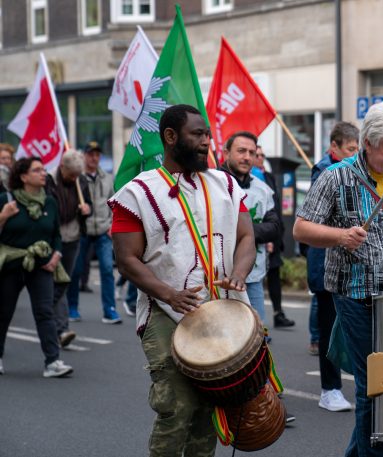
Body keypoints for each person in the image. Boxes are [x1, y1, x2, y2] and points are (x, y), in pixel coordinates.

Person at [110, 104, 255, 457]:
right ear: (170, 137)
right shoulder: (136, 193)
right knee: (177, 407)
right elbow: (126, 259)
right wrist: (170, 295)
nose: (206, 141)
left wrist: (238, 273)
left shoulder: (225, 183)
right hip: (164, 311)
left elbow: (247, 237)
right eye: (197, 134)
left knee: (208, 408)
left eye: (207, 134)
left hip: (220, 311)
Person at [293, 100, 383, 457]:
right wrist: (339, 236)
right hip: (356, 294)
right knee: (375, 388)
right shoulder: (336, 177)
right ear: (367, 143)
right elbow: (301, 228)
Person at [0, 157, 74, 378]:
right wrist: (3, 216)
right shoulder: (7, 199)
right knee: (3, 313)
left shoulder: (49, 202)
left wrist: (56, 255)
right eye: (37, 170)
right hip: (11, 265)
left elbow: (56, 235)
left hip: (41, 265)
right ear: (23, 177)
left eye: (43, 169)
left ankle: (53, 362)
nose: (43, 173)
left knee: (45, 313)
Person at [306, 121, 359, 412]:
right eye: (350, 149)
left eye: (357, 149)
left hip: (347, 261)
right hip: (326, 261)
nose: (354, 154)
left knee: (348, 326)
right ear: (334, 147)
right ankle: (330, 389)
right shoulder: (325, 174)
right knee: (328, 327)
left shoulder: (352, 171)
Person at [219, 132, 281, 335]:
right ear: (226, 152)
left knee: (256, 337)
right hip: (217, 276)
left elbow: (276, 227)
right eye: (241, 151)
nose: (247, 157)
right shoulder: (211, 184)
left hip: (253, 277)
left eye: (251, 152)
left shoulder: (263, 189)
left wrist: (244, 232)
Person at [67, 141, 119, 324]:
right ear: (84, 156)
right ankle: (72, 308)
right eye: (90, 154)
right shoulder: (76, 178)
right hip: (82, 231)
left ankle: (110, 310)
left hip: (103, 231)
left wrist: (113, 225)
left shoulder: (107, 177)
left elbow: (114, 203)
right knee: (76, 270)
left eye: (97, 154)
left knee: (107, 269)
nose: (94, 158)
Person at [46, 150, 92, 345]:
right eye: (71, 174)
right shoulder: (49, 180)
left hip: (73, 237)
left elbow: (88, 204)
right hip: (52, 238)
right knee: (55, 283)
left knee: (63, 281)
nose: (74, 178)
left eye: (77, 175)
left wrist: (86, 209)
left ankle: (56, 325)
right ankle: (56, 325)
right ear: (62, 167)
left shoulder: (81, 181)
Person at [256, 146, 295, 329]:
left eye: (262, 155)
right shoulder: (251, 179)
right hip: (260, 237)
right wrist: (266, 237)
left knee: (274, 275)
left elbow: (275, 207)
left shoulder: (269, 177)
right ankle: (255, 322)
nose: (260, 158)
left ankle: (278, 313)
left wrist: (276, 234)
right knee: (255, 281)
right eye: (257, 155)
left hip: (273, 234)